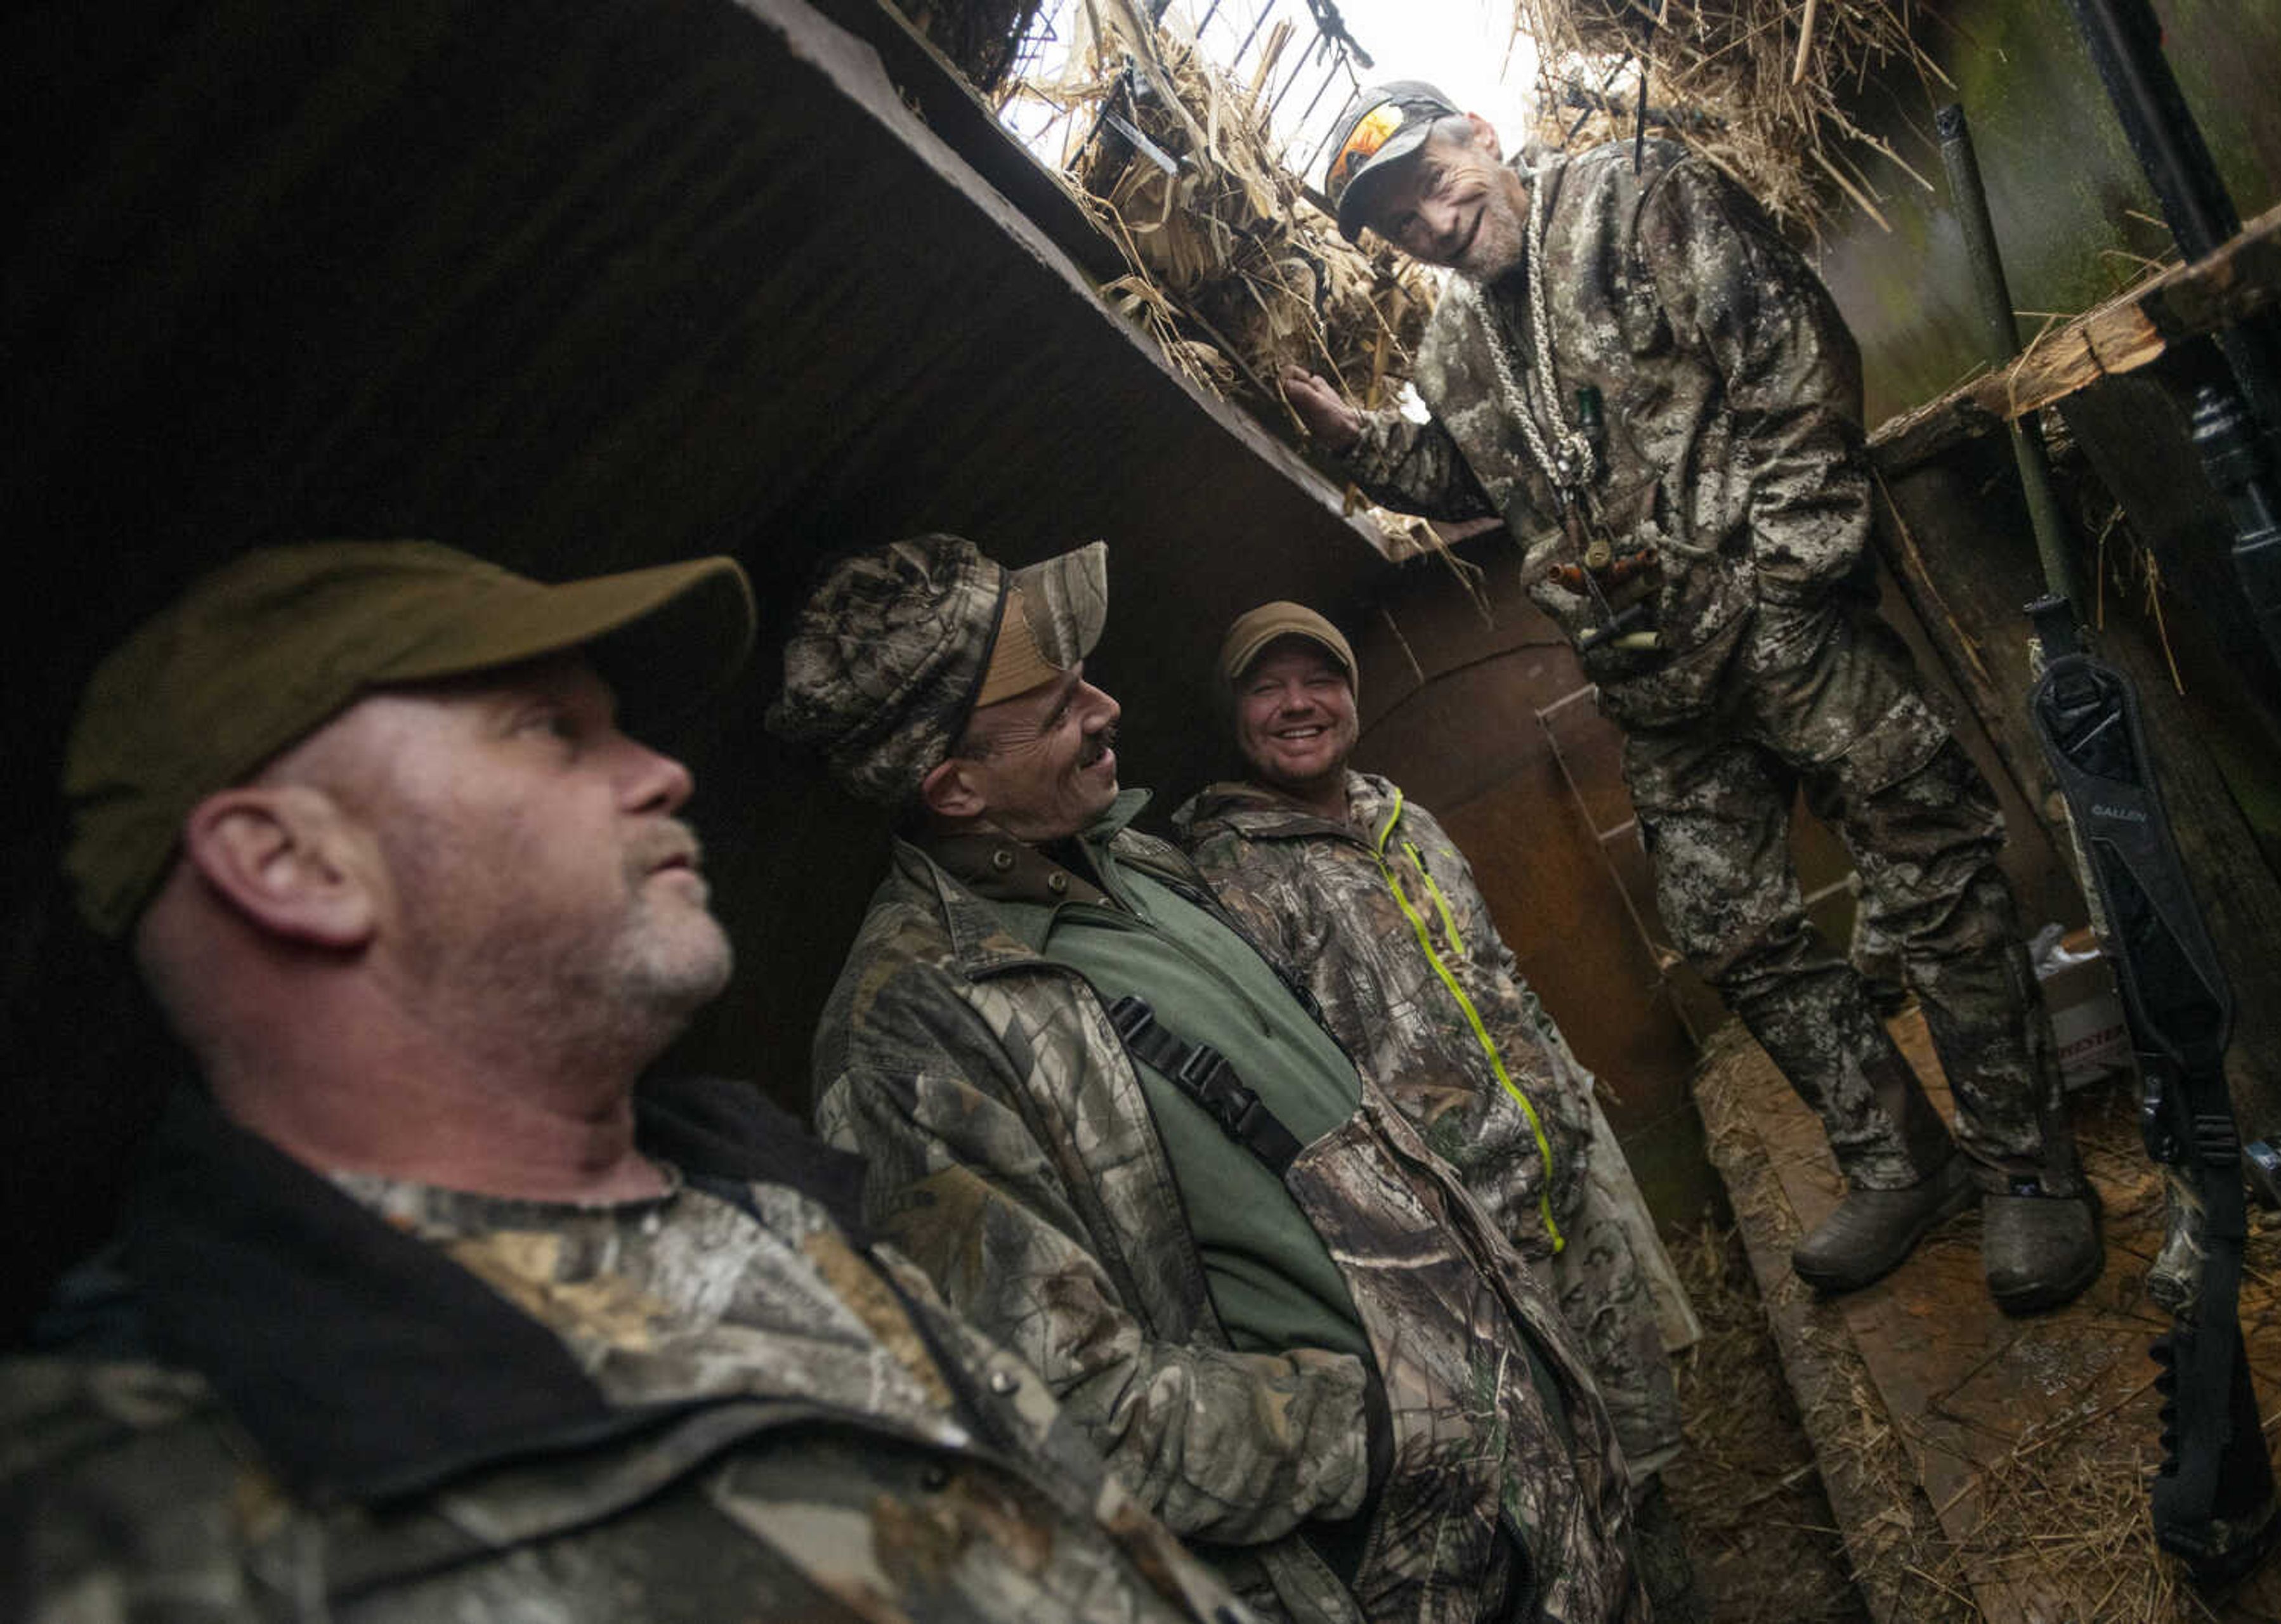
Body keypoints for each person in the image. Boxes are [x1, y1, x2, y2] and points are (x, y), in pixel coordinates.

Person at [3, 540, 1250, 1624]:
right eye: (551, 730)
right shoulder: (155, 1506)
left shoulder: (780, 1212)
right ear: (289, 865)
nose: (662, 773)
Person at [1280, 83, 2098, 1314]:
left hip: (1784, 624)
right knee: (1730, 931)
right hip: (1654, 683)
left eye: (1433, 187)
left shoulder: (1633, 194)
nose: (1431, 227)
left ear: (1484, 139)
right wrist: (1357, 441)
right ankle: (1900, 1161)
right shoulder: (1453, 347)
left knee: (1931, 872)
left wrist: (1800, 576)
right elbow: (1473, 475)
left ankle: (2026, 1172)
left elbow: (1788, 358)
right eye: (1400, 226)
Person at [768, 535, 1644, 1624]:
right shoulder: (914, 1032)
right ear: (954, 788)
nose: (1107, 707)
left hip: (1523, 1455)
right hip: (1394, 1551)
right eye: (1058, 710)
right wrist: (1382, 1426)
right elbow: (1062, 1409)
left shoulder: (1136, 861)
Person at [1174, 601, 1706, 1620]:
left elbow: (1496, 973)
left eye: (1318, 678)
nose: (1298, 704)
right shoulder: (1229, 882)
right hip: (1461, 1262)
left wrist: (1571, 1120)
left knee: (1644, 1460)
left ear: (1352, 695)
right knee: (1555, 1508)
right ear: (1232, 713)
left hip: (1564, 1196)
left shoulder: (1402, 818)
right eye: (1266, 686)